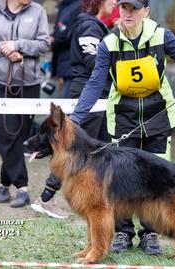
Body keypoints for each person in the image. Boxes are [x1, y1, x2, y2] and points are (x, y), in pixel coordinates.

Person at [70, 0, 175, 255]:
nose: (128, 14)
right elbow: (95, 83)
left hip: (158, 119)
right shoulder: (109, 43)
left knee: (155, 179)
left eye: (134, 9)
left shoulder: (161, 35)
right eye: (124, 8)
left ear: (146, 12)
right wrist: (76, 117)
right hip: (123, 120)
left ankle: (149, 235)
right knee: (121, 181)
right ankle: (122, 233)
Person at [30, 0, 116, 218]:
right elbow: (93, 62)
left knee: (102, 149)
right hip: (88, 93)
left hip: (100, 95)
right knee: (72, 150)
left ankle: (101, 199)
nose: (116, 2)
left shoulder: (95, 25)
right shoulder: (88, 25)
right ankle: (45, 198)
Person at [0, 0, 49, 207]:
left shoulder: (38, 11)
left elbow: (43, 44)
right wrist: (4, 49)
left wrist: (18, 46)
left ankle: (3, 184)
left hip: (29, 83)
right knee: (6, 133)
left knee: (19, 135)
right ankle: (22, 187)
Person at [50, 0, 81, 98]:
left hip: (72, 68)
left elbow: (71, 35)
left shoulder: (78, 6)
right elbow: (60, 30)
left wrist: (52, 42)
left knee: (67, 108)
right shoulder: (65, 5)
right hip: (63, 67)